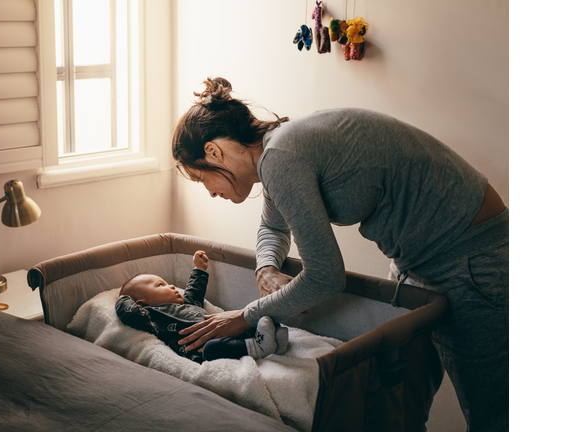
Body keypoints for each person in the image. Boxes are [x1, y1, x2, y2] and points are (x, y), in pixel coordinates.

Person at [171, 77, 508, 432]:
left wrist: (247, 315)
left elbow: (326, 276)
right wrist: (265, 267)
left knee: (493, 411)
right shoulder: (275, 153)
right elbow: (272, 228)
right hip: (418, 259)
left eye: (200, 179)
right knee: (399, 399)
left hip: (469, 253)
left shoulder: (280, 158)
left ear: (213, 152)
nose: (208, 192)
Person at [115, 250, 288, 364]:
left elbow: (194, 292)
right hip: (203, 349)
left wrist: (199, 268)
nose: (172, 286)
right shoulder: (151, 317)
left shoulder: (187, 303)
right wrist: (122, 299)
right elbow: (130, 314)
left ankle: (271, 342)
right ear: (143, 304)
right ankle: (257, 347)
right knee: (212, 348)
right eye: (161, 285)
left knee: (252, 320)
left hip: (224, 330)